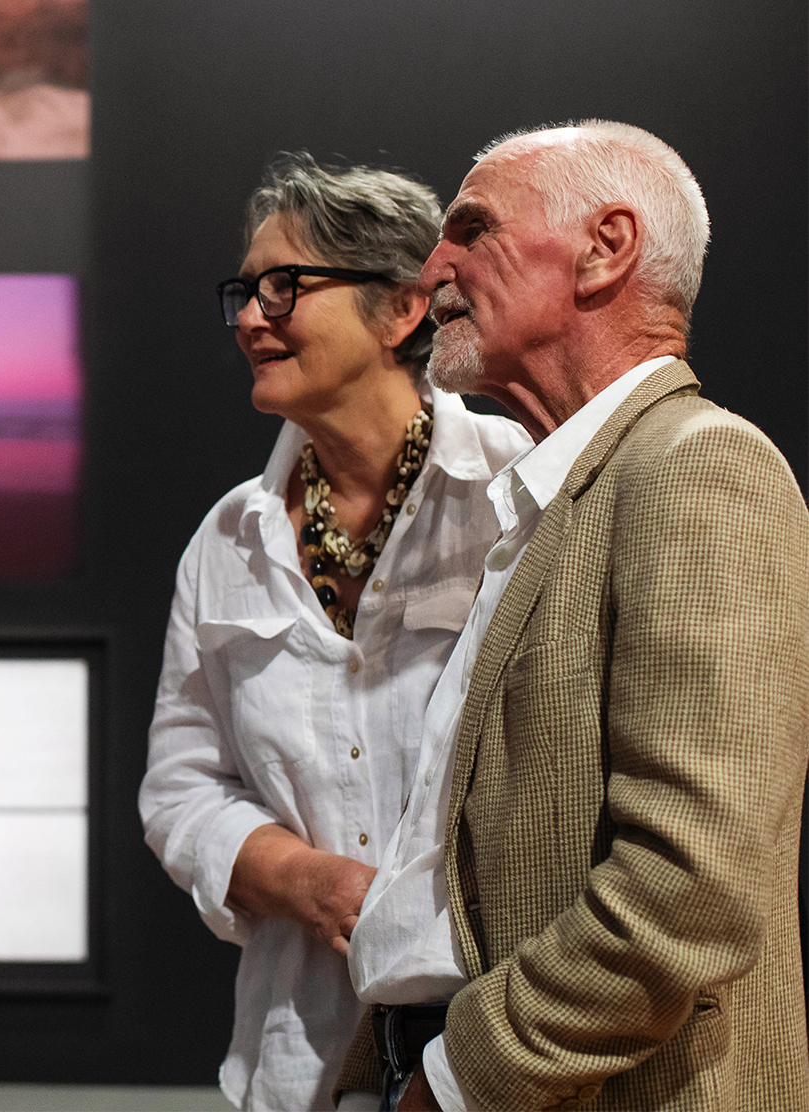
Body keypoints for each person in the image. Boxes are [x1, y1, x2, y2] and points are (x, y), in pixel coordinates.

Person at [344, 120, 809, 1111]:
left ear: (605, 248)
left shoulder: (694, 466)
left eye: (468, 228)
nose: (431, 268)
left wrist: (451, 1076)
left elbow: (687, 891)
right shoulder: (559, 500)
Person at [140, 154, 530, 1111]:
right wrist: (304, 880)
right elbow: (180, 784)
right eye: (244, 290)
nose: (249, 317)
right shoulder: (229, 538)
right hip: (299, 1058)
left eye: (287, 286)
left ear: (402, 310)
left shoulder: (520, 493)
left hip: (495, 1051)